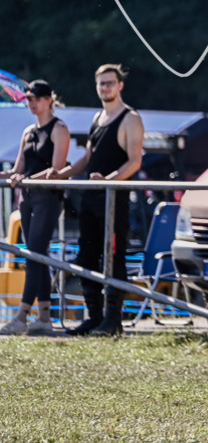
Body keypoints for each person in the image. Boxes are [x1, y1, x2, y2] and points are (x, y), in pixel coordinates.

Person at [50, 64, 144, 336]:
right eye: (101, 83)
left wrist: (110, 181)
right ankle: (95, 316)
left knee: (114, 258)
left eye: (110, 83)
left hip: (115, 201)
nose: (105, 88)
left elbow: (134, 162)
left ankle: (113, 320)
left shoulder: (130, 118)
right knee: (86, 257)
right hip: (91, 201)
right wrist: (63, 173)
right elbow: (88, 158)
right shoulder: (97, 118)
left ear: (120, 85)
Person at [0, 81, 70, 335]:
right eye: (28, 98)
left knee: (34, 255)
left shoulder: (59, 128)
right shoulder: (28, 131)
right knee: (35, 255)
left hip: (47, 198)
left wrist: (24, 179)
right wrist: (10, 176)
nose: (32, 102)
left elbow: (56, 170)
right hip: (27, 199)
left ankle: (21, 316)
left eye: (36, 98)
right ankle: (43, 316)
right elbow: (17, 170)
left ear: (49, 99)